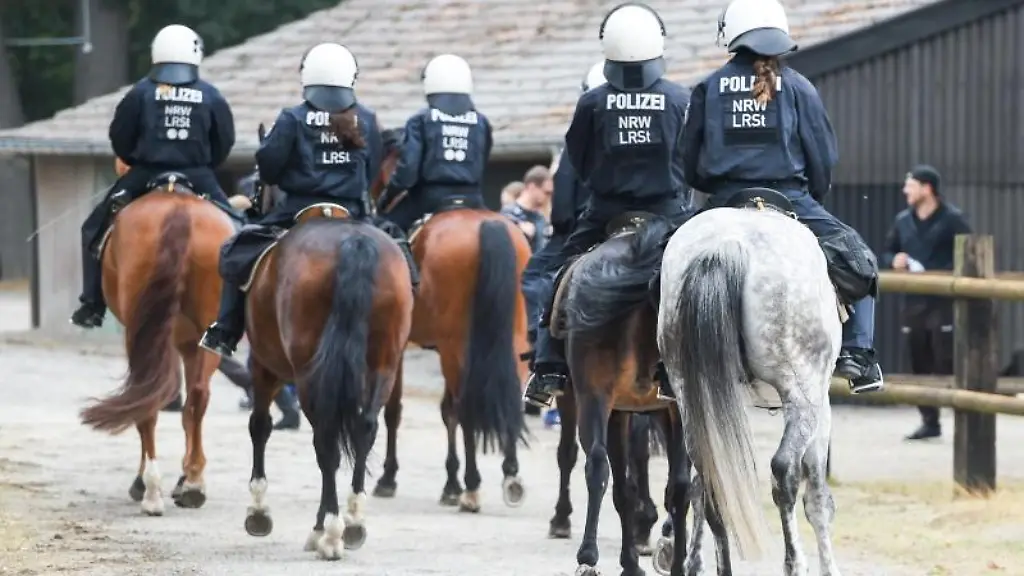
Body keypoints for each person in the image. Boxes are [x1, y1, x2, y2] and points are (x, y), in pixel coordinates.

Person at [679, 0, 884, 394]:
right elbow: (823, 157)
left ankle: (668, 363)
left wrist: (711, 186)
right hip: (790, 198)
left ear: (732, 35)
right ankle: (859, 355)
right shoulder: (798, 87)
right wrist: (812, 196)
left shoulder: (707, 88)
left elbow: (688, 162)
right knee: (863, 262)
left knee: (664, 266)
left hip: (724, 200)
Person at [523, 3, 694, 408]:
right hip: (668, 214)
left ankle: (547, 367)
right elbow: (690, 159)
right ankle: (700, 361)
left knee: (558, 274)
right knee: (702, 276)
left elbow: (577, 161)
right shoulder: (679, 98)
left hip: (606, 214)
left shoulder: (593, 101)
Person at [198, 42, 417, 357]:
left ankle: (226, 330)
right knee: (401, 254)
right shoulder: (367, 119)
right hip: (354, 213)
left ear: (308, 78)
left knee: (236, 249)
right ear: (350, 79)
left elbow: (269, 168)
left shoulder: (293, 117)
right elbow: (371, 171)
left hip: (295, 212)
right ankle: (406, 316)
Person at [71, 24, 236, 328]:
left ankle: (92, 304)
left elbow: (120, 137)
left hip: (145, 173)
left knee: (92, 228)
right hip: (198, 175)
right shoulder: (211, 95)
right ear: (195, 55)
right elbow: (224, 142)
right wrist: (205, 164)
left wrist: (135, 160)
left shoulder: (140, 93)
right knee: (242, 230)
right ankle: (240, 309)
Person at [881, 165, 971, 439]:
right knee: (919, 359)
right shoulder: (902, 220)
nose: (905, 190)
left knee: (945, 358)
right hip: (913, 302)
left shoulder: (953, 219)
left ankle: (965, 414)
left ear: (927, 188)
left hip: (944, 301)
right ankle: (930, 422)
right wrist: (893, 260)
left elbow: (970, 252)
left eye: (910, 185)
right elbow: (888, 251)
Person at [375, 54, 494, 231]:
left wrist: (387, 197)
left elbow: (408, 171)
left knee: (385, 229)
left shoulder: (420, 120)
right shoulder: (482, 122)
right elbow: (483, 161)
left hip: (430, 198)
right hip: (473, 198)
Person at [501, 165, 553, 254]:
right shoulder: (508, 214)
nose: (548, 197)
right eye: (546, 192)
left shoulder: (541, 217)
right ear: (532, 187)